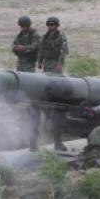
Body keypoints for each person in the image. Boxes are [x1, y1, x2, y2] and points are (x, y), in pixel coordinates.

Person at [38, 17, 69, 151]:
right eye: (49, 25)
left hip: (56, 64)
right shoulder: (45, 37)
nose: (51, 27)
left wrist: (60, 64)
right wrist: (39, 61)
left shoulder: (61, 37)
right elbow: (41, 50)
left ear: (57, 25)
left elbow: (63, 50)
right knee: (47, 84)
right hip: (47, 64)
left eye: (53, 25)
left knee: (56, 85)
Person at [12, 15, 41, 151]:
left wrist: (23, 49)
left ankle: (29, 98)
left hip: (29, 63)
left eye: (24, 26)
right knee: (19, 81)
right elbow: (14, 46)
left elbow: (35, 47)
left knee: (29, 82)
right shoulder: (20, 35)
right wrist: (17, 49)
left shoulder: (35, 35)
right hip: (21, 63)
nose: (23, 28)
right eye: (21, 26)